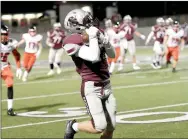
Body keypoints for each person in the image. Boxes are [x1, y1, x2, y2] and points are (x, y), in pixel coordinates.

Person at [63, 9, 117, 139]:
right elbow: (93, 56)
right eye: (86, 21)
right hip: (91, 87)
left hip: (107, 85)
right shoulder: (72, 41)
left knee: (111, 127)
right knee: (99, 126)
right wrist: (93, 38)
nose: (90, 23)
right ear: (75, 25)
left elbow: (112, 55)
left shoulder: (96, 33)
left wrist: (105, 42)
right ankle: (73, 126)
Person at [1, 25, 22, 116]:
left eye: (5, 34)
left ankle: (10, 108)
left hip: (4, 66)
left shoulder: (11, 43)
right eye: (2, 34)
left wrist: (18, 67)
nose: (4, 36)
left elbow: (17, 55)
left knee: (10, 84)